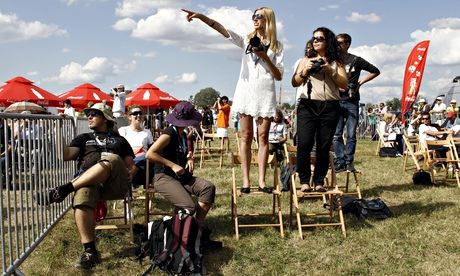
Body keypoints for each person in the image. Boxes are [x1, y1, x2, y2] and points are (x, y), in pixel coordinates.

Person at [182, 7, 284, 194]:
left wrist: (264, 56)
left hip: (265, 93)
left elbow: (278, 75)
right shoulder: (246, 40)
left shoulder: (277, 45)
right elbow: (222, 29)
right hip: (246, 91)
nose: (255, 19)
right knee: (245, 136)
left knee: (262, 137)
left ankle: (261, 181)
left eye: (259, 16)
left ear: (268, 19)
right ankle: (246, 181)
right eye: (253, 16)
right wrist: (201, 17)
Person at [35, 103, 135, 269]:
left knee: (112, 159)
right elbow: (65, 155)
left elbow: (130, 165)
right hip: (89, 183)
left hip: (114, 185)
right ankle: (90, 251)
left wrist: (132, 171)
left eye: (94, 113)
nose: (89, 116)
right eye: (88, 113)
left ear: (106, 118)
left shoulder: (120, 140)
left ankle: (64, 189)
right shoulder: (84, 138)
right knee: (82, 196)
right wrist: (58, 129)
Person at [291, 27, 348, 193]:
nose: (315, 40)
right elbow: (294, 82)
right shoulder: (305, 60)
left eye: (320, 38)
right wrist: (304, 70)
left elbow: (344, 85)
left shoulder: (336, 62)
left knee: (324, 146)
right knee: (305, 143)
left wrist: (329, 70)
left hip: (330, 106)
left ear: (327, 41)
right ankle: (304, 180)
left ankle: (319, 180)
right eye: (314, 38)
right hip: (307, 105)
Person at [146, 101, 216, 222]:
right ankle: (172, 231)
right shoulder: (169, 133)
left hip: (180, 176)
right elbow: (150, 154)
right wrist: (172, 165)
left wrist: (188, 158)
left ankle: (196, 227)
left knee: (208, 188)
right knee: (189, 206)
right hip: (163, 177)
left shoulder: (182, 134)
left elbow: (178, 153)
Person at [332, 33, 380, 172]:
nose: (337, 45)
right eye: (336, 42)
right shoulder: (332, 60)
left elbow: (375, 71)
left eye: (340, 42)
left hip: (351, 100)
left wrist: (360, 83)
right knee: (337, 134)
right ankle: (339, 161)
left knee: (351, 134)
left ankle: (349, 162)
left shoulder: (356, 60)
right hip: (335, 99)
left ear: (347, 44)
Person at [118, 105, 154, 188]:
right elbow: (119, 147)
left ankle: (133, 171)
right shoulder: (123, 130)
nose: (138, 115)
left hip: (143, 162)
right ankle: (133, 170)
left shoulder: (147, 132)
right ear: (129, 117)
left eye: (140, 113)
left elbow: (151, 149)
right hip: (127, 159)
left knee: (147, 155)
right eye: (135, 113)